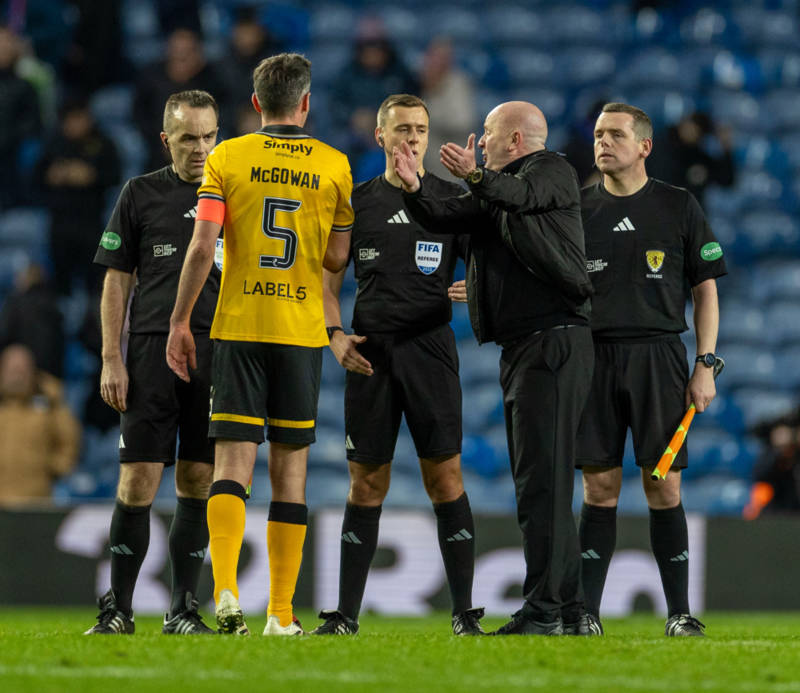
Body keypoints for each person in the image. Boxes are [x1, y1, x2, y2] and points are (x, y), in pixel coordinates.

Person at [166, 53, 353, 636]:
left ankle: (224, 592)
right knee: (290, 475)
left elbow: (202, 249)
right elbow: (337, 257)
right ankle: (280, 613)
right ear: (305, 103)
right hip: (299, 333)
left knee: (231, 466)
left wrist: (178, 322)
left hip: (239, 326)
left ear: (255, 104)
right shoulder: (335, 166)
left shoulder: (226, 158)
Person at [395, 100, 596, 635]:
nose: (479, 142)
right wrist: (415, 188)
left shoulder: (550, 170)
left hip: (553, 342)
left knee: (542, 485)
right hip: (526, 349)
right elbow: (447, 216)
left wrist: (478, 176)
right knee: (543, 482)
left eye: (486, 134)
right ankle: (571, 610)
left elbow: (520, 196)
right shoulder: (494, 192)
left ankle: (544, 612)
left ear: (513, 139)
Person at [312, 94, 482, 637]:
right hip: (371, 353)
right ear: (380, 137)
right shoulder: (355, 203)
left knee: (446, 478)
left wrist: (476, 289)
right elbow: (327, 278)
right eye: (402, 128)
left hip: (431, 351)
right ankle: (345, 615)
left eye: (421, 129)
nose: (412, 138)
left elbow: (492, 266)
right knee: (366, 485)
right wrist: (334, 335)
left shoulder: (451, 201)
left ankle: (463, 615)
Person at [575, 103, 727, 637]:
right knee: (599, 487)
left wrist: (705, 363)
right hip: (592, 358)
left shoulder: (677, 205)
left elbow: (705, 289)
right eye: (597, 134)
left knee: (663, 487)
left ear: (644, 146)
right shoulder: (576, 207)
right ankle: (586, 614)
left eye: (615, 134)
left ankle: (680, 614)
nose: (603, 142)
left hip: (660, 357)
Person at [85, 90, 222, 636]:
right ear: (166, 139)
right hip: (146, 351)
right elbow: (117, 280)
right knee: (138, 479)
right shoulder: (139, 194)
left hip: (217, 349)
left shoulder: (234, 192)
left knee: (197, 479)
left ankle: (183, 609)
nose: (200, 148)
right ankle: (117, 608)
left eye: (210, 136)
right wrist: (111, 357)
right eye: (189, 138)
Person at [36, 94, 120, 296]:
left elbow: (115, 176)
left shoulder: (103, 143)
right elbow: (34, 181)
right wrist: (52, 176)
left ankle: (93, 319)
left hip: (92, 222)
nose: (75, 125)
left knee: (96, 286)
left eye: (79, 118)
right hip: (60, 223)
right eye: (70, 120)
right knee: (60, 285)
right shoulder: (53, 143)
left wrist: (92, 176)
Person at [0, 343, 80, 507]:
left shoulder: (50, 408)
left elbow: (69, 443)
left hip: (37, 500)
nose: (17, 376)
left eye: (22, 370)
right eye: (12, 370)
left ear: (33, 373)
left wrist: (56, 468)